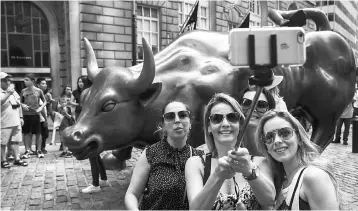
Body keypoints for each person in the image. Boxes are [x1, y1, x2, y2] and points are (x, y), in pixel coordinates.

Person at [185, 93, 276, 210]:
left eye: (232, 117)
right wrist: (218, 175)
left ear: (240, 125)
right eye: (216, 118)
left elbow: (269, 201)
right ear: (208, 127)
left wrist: (249, 170)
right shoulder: (196, 164)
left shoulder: (260, 162)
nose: (225, 124)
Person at [125, 101, 204, 210]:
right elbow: (132, 194)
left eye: (182, 115)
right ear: (163, 125)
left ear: (190, 122)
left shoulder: (198, 157)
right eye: (170, 116)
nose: (177, 120)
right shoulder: (151, 153)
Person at [255, 110, 340, 210]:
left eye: (285, 133)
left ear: (299, 138)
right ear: (266, 147)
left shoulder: (313, 176)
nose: (277, 141)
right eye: (269, 137)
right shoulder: (281, 181)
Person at [1, 73, 28, 168]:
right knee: (3, 142)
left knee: (16, 141)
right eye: (5, 80)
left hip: (15, 120)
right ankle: (3, 160)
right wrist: (8, 93)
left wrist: (21, 117)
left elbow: (18, 104)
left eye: (9, 80)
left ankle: (17, 158)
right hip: (4, 122)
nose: (8, 82)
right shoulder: (4, 92)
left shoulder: (13, 92)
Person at [20, 73, 47, 159]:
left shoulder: (39, 91)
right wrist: (22, 105)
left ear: (33, 81)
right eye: (24, 80)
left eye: (27, 80)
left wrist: (41, 108)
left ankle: (38, 150)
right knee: (26, 133)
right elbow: (19, 101)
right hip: (26, 114)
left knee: (38, 133)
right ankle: (27, 150)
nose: (25, 81)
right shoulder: (23, 91)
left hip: (35, 114)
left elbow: (45, 101)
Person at [36, 78, 51, 154]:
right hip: (40, 118)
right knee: (43, 134)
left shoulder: (44, 94)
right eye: (43, 83)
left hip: (43, 117)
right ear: (38, 85)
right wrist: (45, 119)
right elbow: (41, 108)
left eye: (45, 83)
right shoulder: (37, 94)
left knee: (44, 134)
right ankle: (40, 148)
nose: (45, 85)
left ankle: (42, 148)